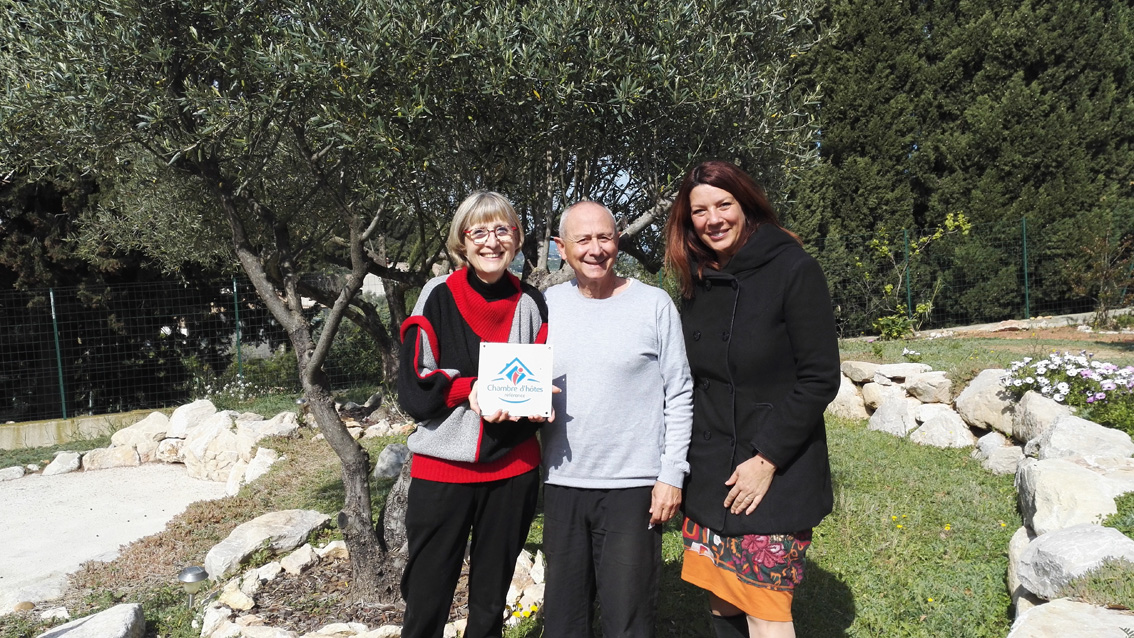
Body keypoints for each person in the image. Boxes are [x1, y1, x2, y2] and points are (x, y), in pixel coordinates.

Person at [663, 161, 840, 638]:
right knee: (722, 601)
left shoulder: (794, 269)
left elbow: (821, 377)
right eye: (699, 210)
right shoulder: (696, 278)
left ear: (747, 206)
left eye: (724, 205)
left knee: (765, 609)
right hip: (711, 469)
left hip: (773, 469)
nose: (713, 219)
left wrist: (767, 459)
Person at [396, 191, 550, 638]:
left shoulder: (533, 304)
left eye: (502, 229)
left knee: (489, 602)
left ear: (517, 239)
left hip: (513, 470)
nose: (491, 241)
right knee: (426, 599)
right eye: (478, 231)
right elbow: (413, 386)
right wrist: (469, 389)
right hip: (443, 471)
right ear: (462, 241)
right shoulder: (437, 296)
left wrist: (542, 403)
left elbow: (538, 382)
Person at [541, 201, 694, 638]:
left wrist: (671, 475)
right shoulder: (545, 306)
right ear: (561, 248)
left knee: (628, 620)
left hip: (634, 487)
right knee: (564, 620)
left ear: (617, 242)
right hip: (562, 483)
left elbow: (680, 394)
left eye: (604, 237)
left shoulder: (654, 304)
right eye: (582, 239)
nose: (595, 249)